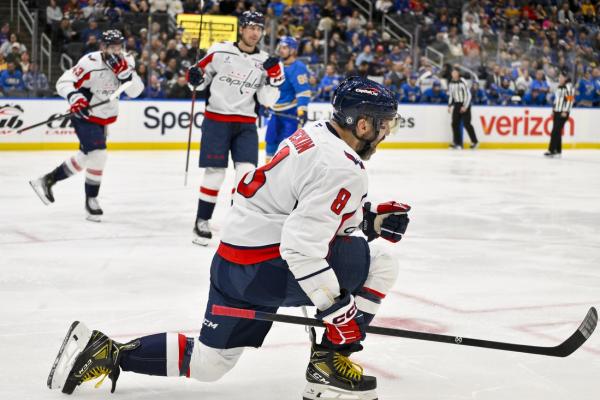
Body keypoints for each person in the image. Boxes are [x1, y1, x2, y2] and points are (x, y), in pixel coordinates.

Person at [47, 76, 410, 400]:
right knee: (380, 262)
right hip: (267, 267)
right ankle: (330, 363)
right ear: (363, 124)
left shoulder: (316, 132)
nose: (385, 133)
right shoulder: (343, 167)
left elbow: (298, 205)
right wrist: (336, 311)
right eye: (383, 125)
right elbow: (301, 245)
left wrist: (369, 220)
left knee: (210, 364)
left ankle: (107, 351)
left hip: (232, 262)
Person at [186, 11, 284, 246]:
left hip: (246, 123)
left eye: (259, 28)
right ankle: (202, 220)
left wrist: (274, 79)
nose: (255, 32)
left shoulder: (266, 61)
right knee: (215, 173)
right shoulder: (219, 51)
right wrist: (194, 78)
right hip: (217, 119)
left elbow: (267, 100)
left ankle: (235, 222)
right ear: (241, 29)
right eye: (251, 27)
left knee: (246, 174)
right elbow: (197, 82)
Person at [29, 30, 144, 221]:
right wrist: (76, 98)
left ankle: (47, 180)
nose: (116, 51)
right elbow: (63, 81)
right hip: (85, 114)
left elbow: (135, 92)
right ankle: (92, 201)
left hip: (103, 118)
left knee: (85, 157)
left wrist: (126, 75)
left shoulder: (128, 61)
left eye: (119, 46)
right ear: (102, 47)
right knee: (98, 154)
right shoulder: (90, 62)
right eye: (111, 46)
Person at [265, 36, 312, 163]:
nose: (281, 50)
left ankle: (286, 176)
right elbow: (270, 88)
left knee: (287, 146)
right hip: (275, 112)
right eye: (280, 47)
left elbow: (303, 91)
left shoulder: (298, 67)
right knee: (270, 141)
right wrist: (264, 104)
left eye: (285, 48)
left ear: (293, 50)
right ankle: (268, 173)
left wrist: (302, 110)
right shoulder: (277, 65)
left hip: (290, 113)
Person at [545, 71, 575, 158]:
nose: (560, 79)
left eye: (561, 77)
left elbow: (570, 101)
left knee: (555, 131)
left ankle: (552, 150)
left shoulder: (569, 88)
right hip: (557, 111)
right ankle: (558, 150)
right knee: (557, 132)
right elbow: (556, 100)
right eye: (559, 77)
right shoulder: (559, 87)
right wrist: (553, 110)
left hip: (563, 112)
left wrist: (565, 111)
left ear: (565, 78)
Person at [447, 69, 478, 149]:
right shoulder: (451, 83)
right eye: (452, 72)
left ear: (458, 74)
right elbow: (451, 95)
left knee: (466, 123)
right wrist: (449, 105)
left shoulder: (462, 81)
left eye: (455, 72)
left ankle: (474, 141)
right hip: (457, 104)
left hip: (465, 104)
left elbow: (468, 95)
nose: (453, 74)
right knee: (454, 123)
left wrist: (465, 106)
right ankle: (457, 143)